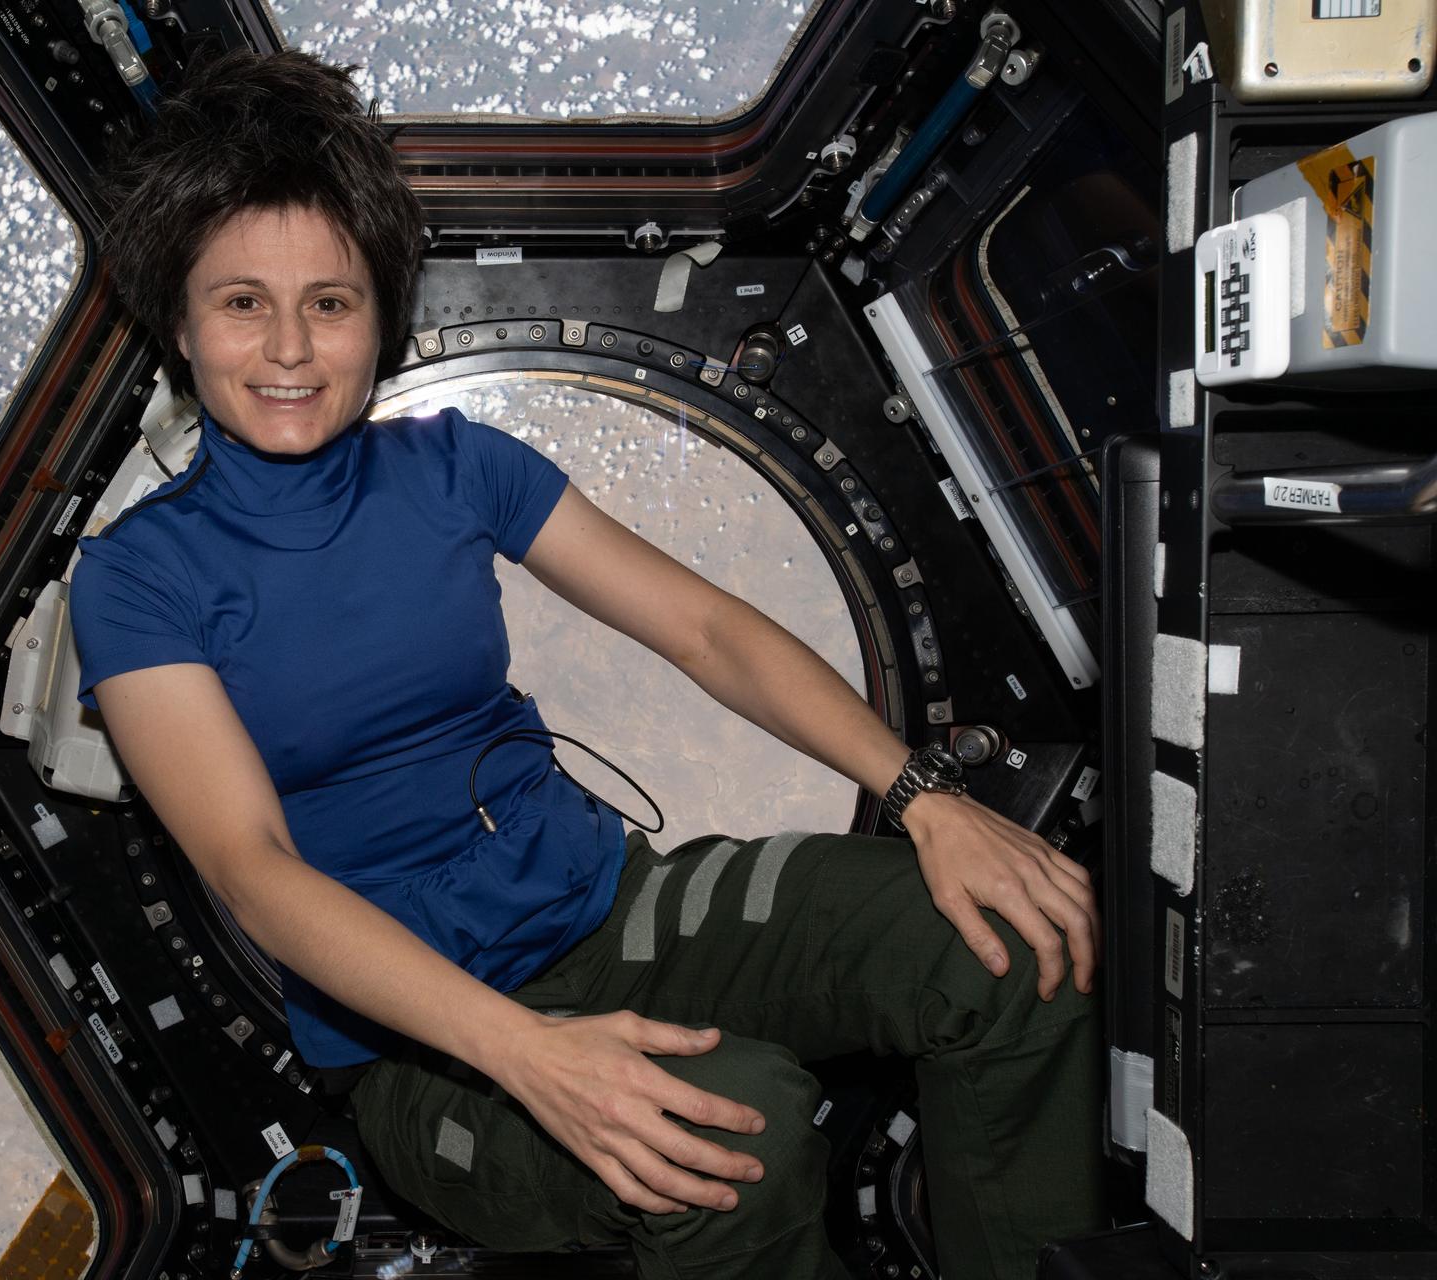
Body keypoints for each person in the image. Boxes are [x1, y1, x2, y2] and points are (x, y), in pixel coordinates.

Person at [71, 48, 1105, 1280]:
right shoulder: (138, 577)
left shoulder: (457, 465)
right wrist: (524, 1052)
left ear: (381, 315)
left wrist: (924, 797)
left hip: (614, 905)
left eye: (331, 300)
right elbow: (254, 869)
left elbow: (707, 631)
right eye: (243, 301)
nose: (290, 346)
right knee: (741, 1135)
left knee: (1013, 938)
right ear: (180, 324)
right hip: (417, 1043)